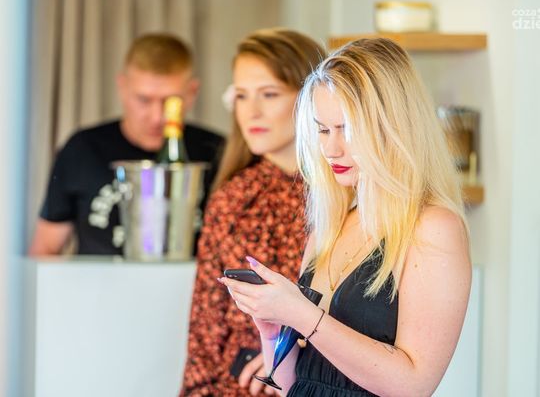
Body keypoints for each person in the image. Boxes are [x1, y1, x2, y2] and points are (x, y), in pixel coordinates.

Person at [221, 38, 472, 396]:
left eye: (348, 130)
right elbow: (294, 384)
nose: (330, 148)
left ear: (395, 127)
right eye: (323, 130)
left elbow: (413, 385)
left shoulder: (433, 227)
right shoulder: (332, 224)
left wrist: (301, 315)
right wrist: (272, 330)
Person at [181, 28, 326, 396]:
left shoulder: (343, 194)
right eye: (242, 95)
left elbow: (364, 316)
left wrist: (287, 352)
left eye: (269, 94)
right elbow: (204, 328)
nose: (252, 111)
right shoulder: (233, 197)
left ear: (312, 96)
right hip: (233, 385)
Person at [28, 33, 224, 256]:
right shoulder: (82, 149)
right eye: (143, 100)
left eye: (170, 101)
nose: (156, 117)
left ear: (192, 93)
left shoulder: (218, 152)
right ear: (122, 87)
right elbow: (45, 249)